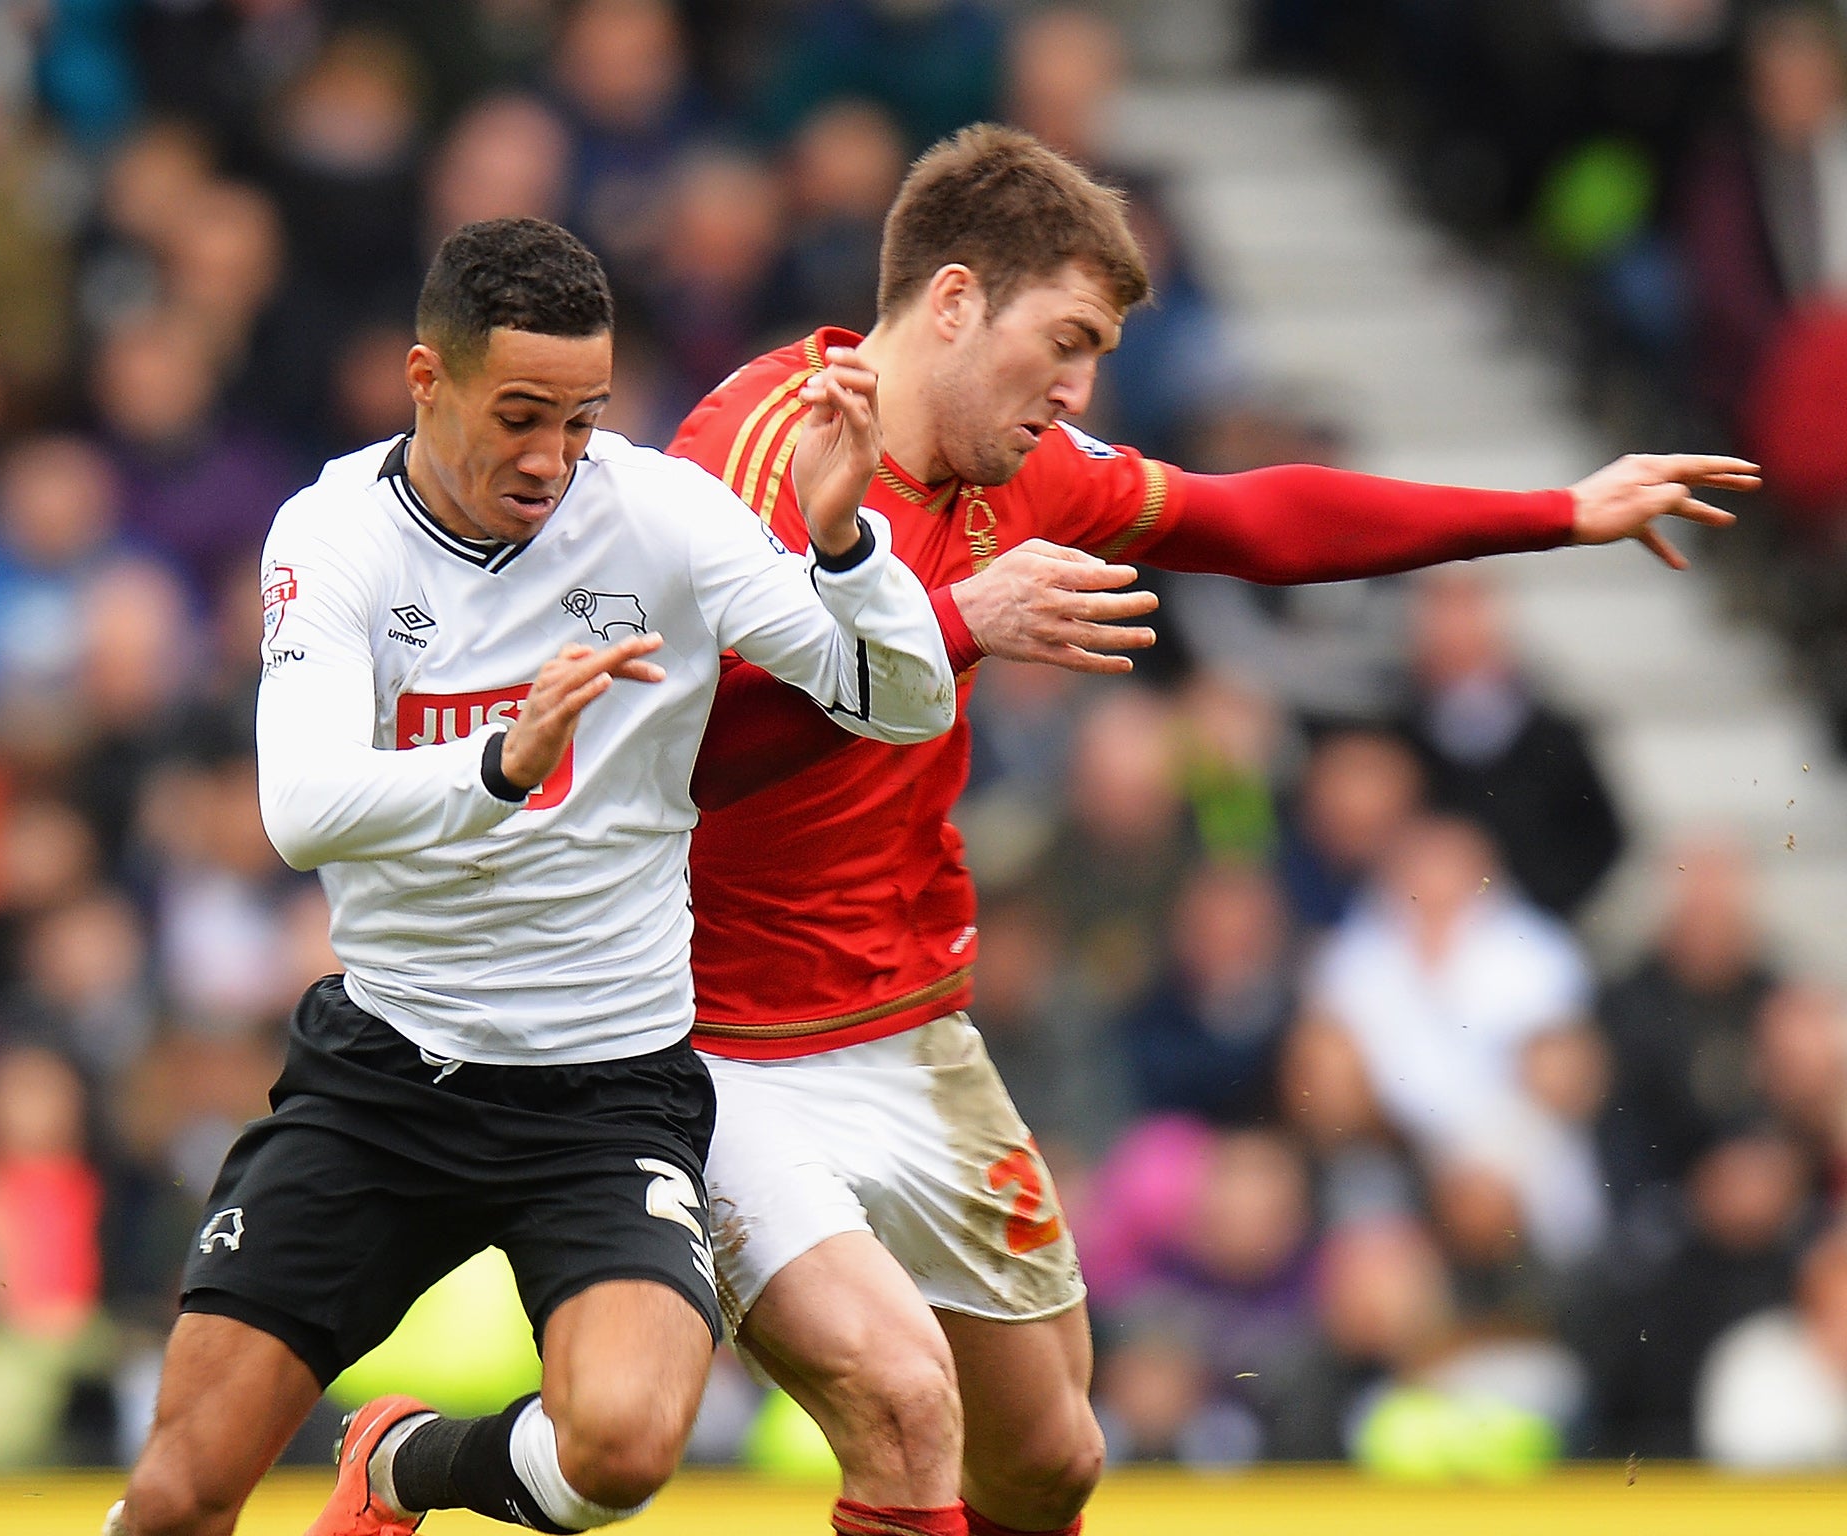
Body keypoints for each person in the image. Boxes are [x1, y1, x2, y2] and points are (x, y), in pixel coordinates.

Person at [666, 123, 1756, 1536]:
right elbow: (676, 754)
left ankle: (427, 1459)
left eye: (1099, 353)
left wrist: (1558, 511)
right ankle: (423, 1468)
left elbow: (1258, 519)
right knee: (897, 1411)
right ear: (950, 301)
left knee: (1054, 1459)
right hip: (712, 1042)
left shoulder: (1027, 467)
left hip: (906, 1027)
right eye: (1065, 341)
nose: (1079, 390)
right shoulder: (755, 450)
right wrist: (951, 628)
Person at [103, 216, 955, 1536]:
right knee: (176, 1496)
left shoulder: (661, 515)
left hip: (607, 1092)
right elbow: (300, 810)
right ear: (424, 379)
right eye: (519, 416)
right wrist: (502, 763)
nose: (553, 458)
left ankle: (402, 1465)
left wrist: (845, 547)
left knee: (622, 1451)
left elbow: (898, 701)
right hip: (388, 1077)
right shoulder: (333, 539)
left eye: (582, 417)